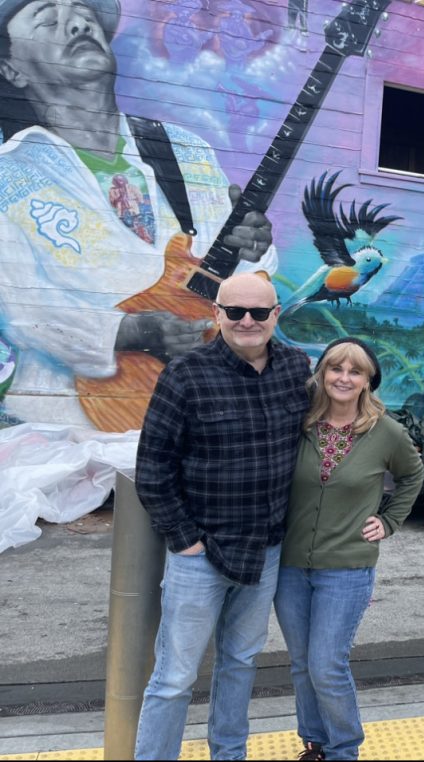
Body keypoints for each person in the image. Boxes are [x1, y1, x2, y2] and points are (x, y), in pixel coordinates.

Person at [0, 0, 275, 428]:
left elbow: (226, 276)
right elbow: (24, 310)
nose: (77, 24)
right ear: (12, 69)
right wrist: (130, 330)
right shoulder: (8, 175)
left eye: (85, 17)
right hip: (70, 428)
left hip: (201, 414)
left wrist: (252, 251)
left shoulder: (186, 150)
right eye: (48, 21)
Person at [133, 272, 311, 760]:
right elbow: (152, 468)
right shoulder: (185, 375)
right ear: (217, 314)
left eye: (259, 312)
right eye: (235, 311)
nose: (247, 321)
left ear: (276, 315)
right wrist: (185, 540)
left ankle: (228, 754)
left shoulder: (296, 369)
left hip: (265, 551)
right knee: (174, 676)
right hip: (202, 554)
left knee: (241, 663)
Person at [274, 337, 424, 761]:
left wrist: (389, 521)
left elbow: (413, 475)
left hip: (346, 568)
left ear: (368, 380)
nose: (343, 378)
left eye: (355, 371)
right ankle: (315, 743)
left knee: (326, 665)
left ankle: (343, 751)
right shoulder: (301, 422)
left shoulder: (386, 432)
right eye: (335, 368)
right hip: (290, 567)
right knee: (302, 663)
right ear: (321, 373)